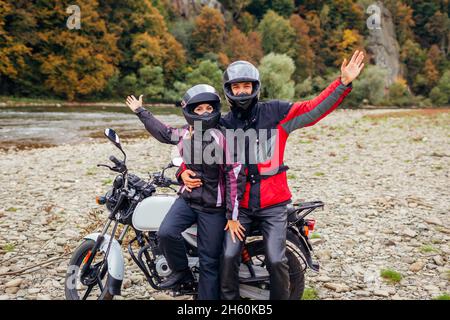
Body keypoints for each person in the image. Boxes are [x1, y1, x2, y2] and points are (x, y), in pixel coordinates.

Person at [179, 50, 365, 299]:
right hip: (240, 206)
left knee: (277, 260)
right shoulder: (222, 124)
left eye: (247, 86)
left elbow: (312, 109)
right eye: (237, 86)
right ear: (228, 90)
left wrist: (342, 84)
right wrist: (182, 172)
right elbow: (193, 146)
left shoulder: (276, 113)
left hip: (274, 205)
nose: (242, 91)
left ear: (255, 87)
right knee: (228, 255)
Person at [125, 84, 246, 300]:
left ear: (215, 109)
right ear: (189, 112)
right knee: (165, 233)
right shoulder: (185, 133)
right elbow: (163, 132)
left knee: (209, 262)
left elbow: (233, 176)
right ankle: (181, 272)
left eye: (209, 108)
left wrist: (232, 216)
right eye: (199, 109)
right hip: (188, 201)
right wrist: (140, 111)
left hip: (213, 209)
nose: (205, 113)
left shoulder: (223, 138)